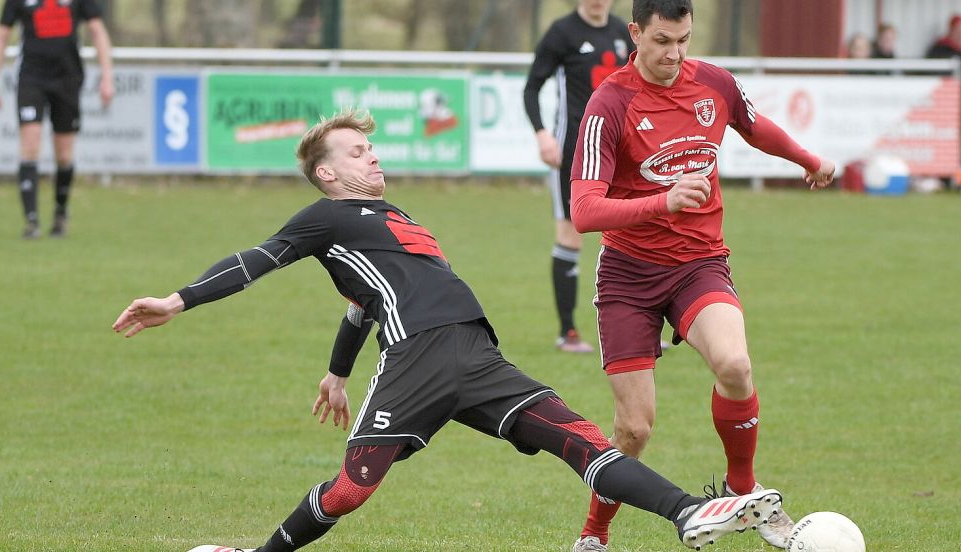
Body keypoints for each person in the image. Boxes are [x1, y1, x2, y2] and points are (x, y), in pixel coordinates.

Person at [112, 110, 785, 552]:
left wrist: (338, 371)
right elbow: (253, 262)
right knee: (349, 489)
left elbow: (359, 303)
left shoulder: (387, 215)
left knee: (581, 441)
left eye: (371, 147)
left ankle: (687, 515)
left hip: (474, 350)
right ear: (326, 174)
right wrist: (177, 299)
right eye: (356, 152)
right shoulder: (321, 217)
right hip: (418, 358)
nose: (371, 158)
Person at [565, 1, 836, 551]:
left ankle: (745, 491)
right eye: (663, 41)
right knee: (634, 430)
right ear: (635, 33)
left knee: (735, 365)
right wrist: (662, 202)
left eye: (684, 39)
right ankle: (595, 532)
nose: (675, 53)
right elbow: (584, 211)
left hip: (699, 264)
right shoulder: (608, 105)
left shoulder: (714, 83)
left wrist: (807, 158)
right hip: (628, 278)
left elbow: (755, 127)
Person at [523, 0, 634, 353]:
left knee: (635, 231)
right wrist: (543, 134)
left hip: (622, 148)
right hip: (575, 151)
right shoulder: (562, 33)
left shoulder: (622, 31)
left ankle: (639, 326)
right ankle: (567, 332)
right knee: (571, 234)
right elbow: (531, 88)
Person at [0, 0, 114, 239]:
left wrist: (107, 76)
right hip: (31, 80)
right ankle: (31, 221)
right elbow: (2, 36)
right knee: (30, 146)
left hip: (67, 80)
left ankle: (60, 213)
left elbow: (97, 30)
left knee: (64, 154)